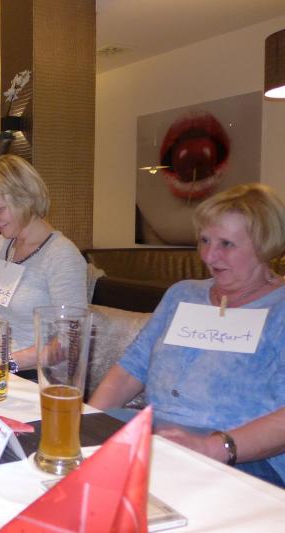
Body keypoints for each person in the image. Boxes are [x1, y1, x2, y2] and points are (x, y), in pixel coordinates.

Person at [91, 184, 285, 488]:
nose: (209, 255)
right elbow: (131, 370)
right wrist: (88, 421)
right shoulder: (183, 294)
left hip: (242, 459)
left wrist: (214, 447)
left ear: (265, 245)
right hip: (159, 438)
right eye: (205, 240)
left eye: (226, 244)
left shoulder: (280, 309)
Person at [0, 155, 87, 370]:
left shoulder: (61, 255)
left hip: (33, 374)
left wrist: (7, 363)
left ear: (26, 200)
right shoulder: (3, 245)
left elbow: (71, 339)